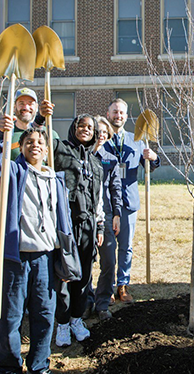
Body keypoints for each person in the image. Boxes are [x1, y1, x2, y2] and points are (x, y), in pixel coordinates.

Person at [0, 124, 76, 374]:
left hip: (45, 258)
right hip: (16, 258)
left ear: (46, 149)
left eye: (40, 143)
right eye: (29, 142)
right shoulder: (11, 172)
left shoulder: (55, 179)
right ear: (21, 147)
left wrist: (66, 258)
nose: (35, 145)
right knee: (11, 318)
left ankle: (39, 365)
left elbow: (62, 220)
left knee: (44, 315)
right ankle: (10, 366)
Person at [53, 114, 105, 346]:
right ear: (74, 127)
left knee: (84, 276)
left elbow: (99, 199)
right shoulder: (61, 152)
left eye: (90, 127)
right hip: (65, 223)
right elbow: (43, 140)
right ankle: (62, 323)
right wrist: (42, 118)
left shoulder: (96, 162)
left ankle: (76, 318)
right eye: (81, 126)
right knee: (64, 275)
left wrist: (100, 226)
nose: (85, 129)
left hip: (88, 225)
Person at [103, 98, 160, 303]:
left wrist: (153, 157)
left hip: (128, 201)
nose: (118, 116)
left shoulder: (136, 140)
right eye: (115, 112)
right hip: (107, 202)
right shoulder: (102, 139)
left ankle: (122, 285)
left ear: (126, 117)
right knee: (108, 247)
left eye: (121, 113)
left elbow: (149, 166)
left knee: (126, 247)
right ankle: (107, 286)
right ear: (108, 114)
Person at [84, 116, 122, 321]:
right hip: (84, 216)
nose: (101, 136)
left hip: (106, 215)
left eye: (105, 133)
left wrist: (116, 214)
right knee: (84, 262)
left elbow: (116, 188)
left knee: (108, 261)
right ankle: (86, 302)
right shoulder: (80, 156)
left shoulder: (111, 159)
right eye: (98, 132)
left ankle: (102, 302)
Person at [0, 87, 58, 160]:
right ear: (14, 107)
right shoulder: (5, 135)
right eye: (21, 103)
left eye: (30, 103)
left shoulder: (50, 134)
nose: (26, 107)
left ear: (36, 107)